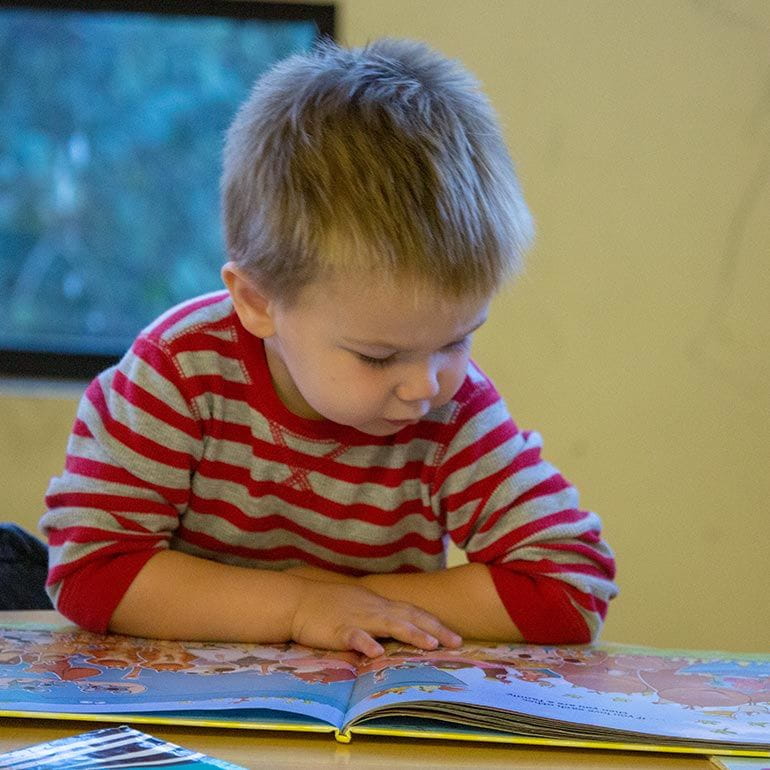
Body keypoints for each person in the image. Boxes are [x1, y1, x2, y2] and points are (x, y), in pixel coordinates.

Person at [41, 38, 617, 657]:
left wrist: (354, 597)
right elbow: (89, 571)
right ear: (259, 304)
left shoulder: (452, 411)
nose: (426, 384)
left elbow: (570, 583)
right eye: (377, 356)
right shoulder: (179, 373)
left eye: (457, 339)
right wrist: (297, 605)